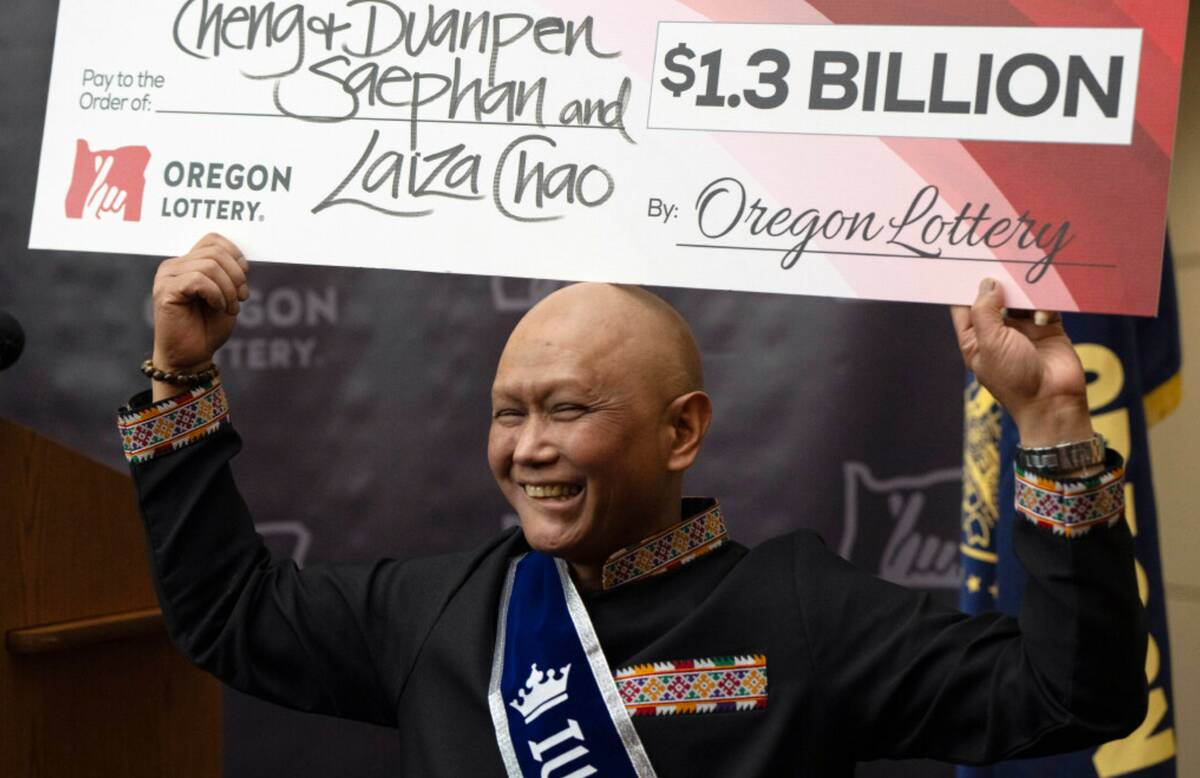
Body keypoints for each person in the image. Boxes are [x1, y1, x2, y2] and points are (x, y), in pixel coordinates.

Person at [117, 233, 1146, 777]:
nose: (530, 448)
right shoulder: (437, 611)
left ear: (682, 431)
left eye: (568, 410)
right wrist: (178, 379)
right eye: (507, 413)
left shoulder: (801, 610)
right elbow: (228, 613)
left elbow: (1071, 699)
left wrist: (1054, 425)